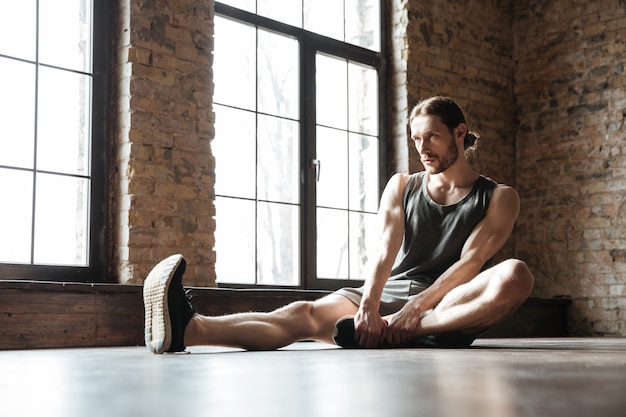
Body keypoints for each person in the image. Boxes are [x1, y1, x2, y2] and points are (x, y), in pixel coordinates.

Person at [143, 96, 534, 353]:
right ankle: (190, 329)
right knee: (305, 314)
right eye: (416, 138)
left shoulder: (499, 196)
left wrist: (411, 312)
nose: (422, 148)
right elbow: (385, 247)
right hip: (391, 291)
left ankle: (409, 332)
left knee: (516, 275)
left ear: (460, 134)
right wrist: (368, 305)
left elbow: (470, 264)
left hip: (449, 303)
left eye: (432, 136)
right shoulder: (402, 185)